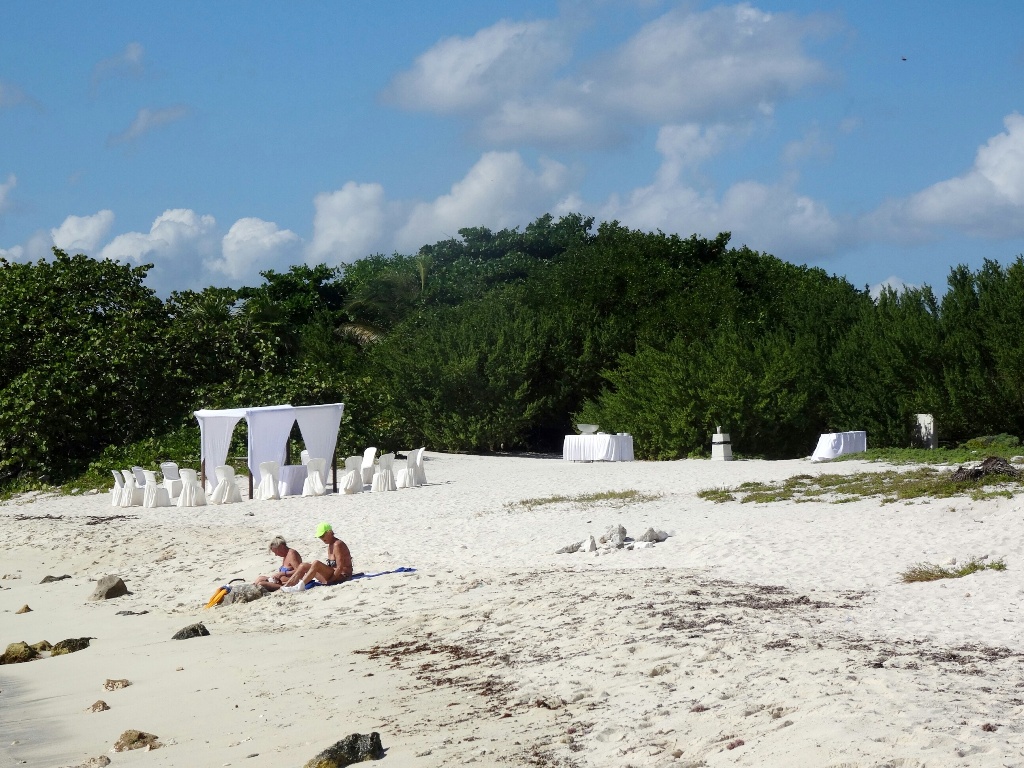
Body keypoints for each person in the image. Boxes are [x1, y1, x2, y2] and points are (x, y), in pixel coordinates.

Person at [280, 522, 352, 592]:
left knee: (316, 563)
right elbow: (332, 566)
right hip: (332, 575)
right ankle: (286, 586)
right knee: (303, 565)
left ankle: (300, 586)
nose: (321, 539)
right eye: (320, 537)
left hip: (342, 576)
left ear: (329, 532)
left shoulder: (338, 544)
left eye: (322, 536)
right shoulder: (330, 545)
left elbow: (339, 568)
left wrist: (330, 581)